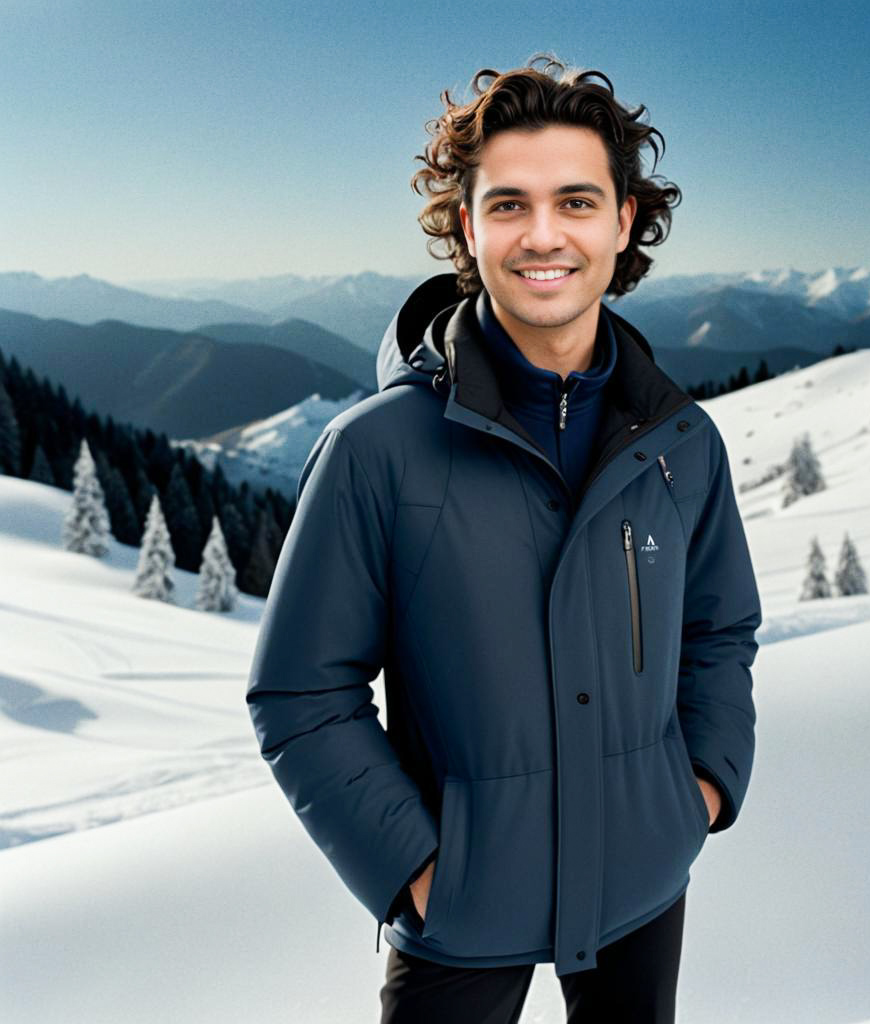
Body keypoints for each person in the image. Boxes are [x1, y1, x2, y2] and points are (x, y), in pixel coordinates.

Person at [246, 52, 762, 1024]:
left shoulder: (680, 443)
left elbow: (721, 628)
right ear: (467, 226)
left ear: (621, 221)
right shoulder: (376, 451)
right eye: (508, 204)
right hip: (463, 917)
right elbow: (300, 690)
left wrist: (694, 793)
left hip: (642, 887)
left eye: (575, 201)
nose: (543, 235)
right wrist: (419, 869)